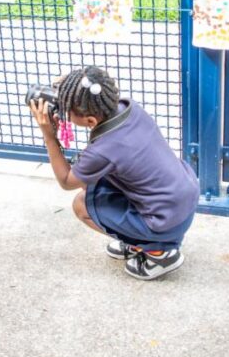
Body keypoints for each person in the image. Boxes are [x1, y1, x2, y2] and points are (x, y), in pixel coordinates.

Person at [29, 66, 200, 280]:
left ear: (90, 121)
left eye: (67, 112)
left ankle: (159, 252)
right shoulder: (129, 108)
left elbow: (66, 181)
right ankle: (141, 241)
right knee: (91, 183)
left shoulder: (103, 150)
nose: (66, 115)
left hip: (166, 220)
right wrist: (70, 85)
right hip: (183, 197)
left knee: (81, 204)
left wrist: (49, 136)